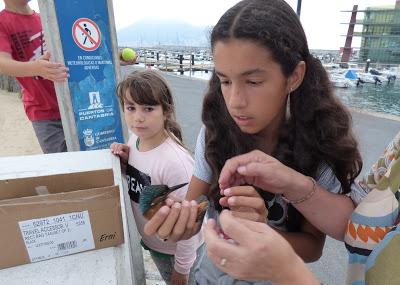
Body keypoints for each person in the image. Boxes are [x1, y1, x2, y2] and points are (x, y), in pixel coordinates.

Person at [144, 0, 365, 284]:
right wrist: (179, 223)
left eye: (254, 82)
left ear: (294, 76)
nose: (235, 102)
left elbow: (312, 247)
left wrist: (260, 232)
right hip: (210, 274)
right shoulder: (214, 133)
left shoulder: (318, 147)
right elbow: (195, 206)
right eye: (225, 81)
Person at [110, 70, 203, 285]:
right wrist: (124, 165)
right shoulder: (135, 139)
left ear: (166, 111)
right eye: (130, 107)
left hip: (176, 252)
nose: (138, 117)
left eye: (148, 108)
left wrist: (182, 270)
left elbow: (191, 222)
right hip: (155, 243)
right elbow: (144, 186)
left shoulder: (176, 163)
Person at [0, 0, 69, 153]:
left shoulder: (46, 18)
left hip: (73, 105)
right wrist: (36, 68)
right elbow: (2, 62)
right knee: (62, 165)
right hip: (43, 110)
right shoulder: (2, 22)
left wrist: (114, 58)